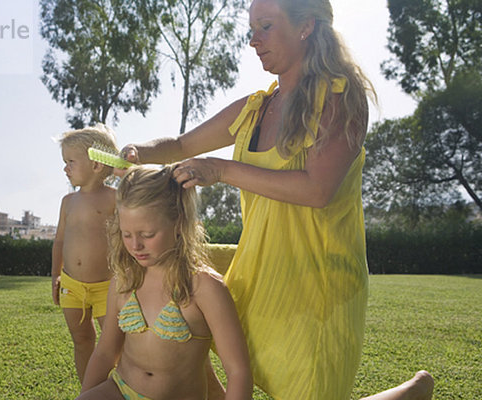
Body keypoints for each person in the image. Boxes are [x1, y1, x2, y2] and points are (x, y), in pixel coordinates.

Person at [118, 1, 431, 399]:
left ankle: (413, 392)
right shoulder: (254, 108)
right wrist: (136, 152)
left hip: (316, 287)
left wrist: (222, 170)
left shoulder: (340, 97)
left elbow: (318, 190)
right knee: (170, 273)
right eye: (252, 28)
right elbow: (180, 144)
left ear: (306, 27)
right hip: (257, 267)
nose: (253, 40)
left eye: (265, 26)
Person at [76, 165, 253, 400]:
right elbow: (106, 353)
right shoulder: (124, 281)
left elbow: (238, 371)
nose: (135, 245)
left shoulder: (204, 287)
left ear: (179, 224)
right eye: (126, 234)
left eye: (147, 235)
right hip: (121, 389)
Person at [52, 124, 118, 387]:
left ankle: (121, 390)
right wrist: (56, 274)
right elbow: (59, 241)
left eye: (70, 161)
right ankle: (89, 391)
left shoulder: (116, 199)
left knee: (114, 346)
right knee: (81, 341)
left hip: (107, 288)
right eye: (64, 162)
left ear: (97, 165)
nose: (65, 168)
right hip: (71, 286)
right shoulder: (68, 202)